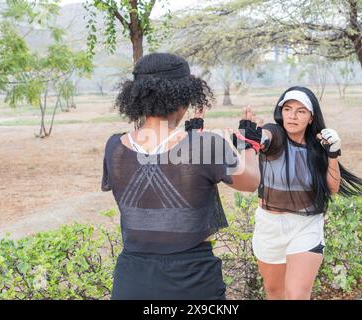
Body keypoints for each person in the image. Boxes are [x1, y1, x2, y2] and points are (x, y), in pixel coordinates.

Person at [101, 52, 260, 300]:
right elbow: (251, 183)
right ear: (185, 95)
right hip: (192, 280)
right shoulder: (207, 146)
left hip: (131, 280)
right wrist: (249, 144)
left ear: (136, 97)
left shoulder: (114, 147)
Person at [252, 86, 362, 300]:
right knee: (275, 292)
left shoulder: (318, 146)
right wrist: (254, 137)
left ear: (311, 117)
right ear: (281, 112)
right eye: (287, 109)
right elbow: (265, 136)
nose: (293, 116)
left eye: (301, 111)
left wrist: (332, 154)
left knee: (296, 295)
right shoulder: (274, 134)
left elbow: (332, 189)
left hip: (306, 226)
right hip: (269, 226)